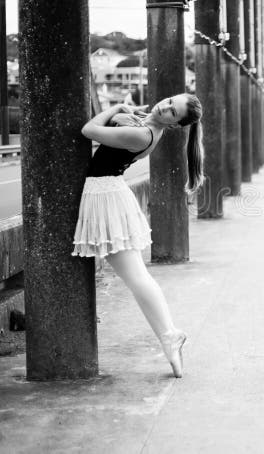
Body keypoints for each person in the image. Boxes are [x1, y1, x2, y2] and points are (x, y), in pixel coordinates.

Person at [72, 93, 203, 378]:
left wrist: (117, 108)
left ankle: (171, 335)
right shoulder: (148, 127)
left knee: (136, 277)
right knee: (136, 276)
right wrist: (120, 114)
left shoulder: (143, 134)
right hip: (105, 195)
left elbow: (88, 130)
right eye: (169, 101)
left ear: (175, 125)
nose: (164, 106)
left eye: (172, 112)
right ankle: (170, 337)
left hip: (106, 196)